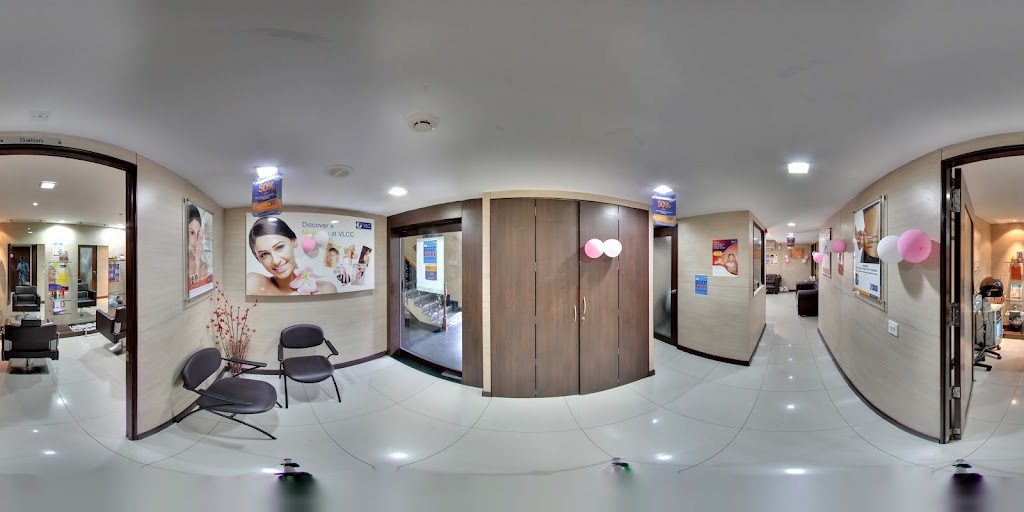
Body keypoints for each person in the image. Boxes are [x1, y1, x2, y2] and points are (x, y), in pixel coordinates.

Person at [247, 217, 337, 295]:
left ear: (294, 241)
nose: (276, 261)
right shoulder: (254, 284)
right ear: (258, 259)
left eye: (279, 247)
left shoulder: (325, 289)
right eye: (264, 254)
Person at [187, 204, 209, 288]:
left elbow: (195, 283)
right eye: (192, 233)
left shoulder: (203, 267)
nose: (196, 242)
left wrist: (197, 261)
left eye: (198, 233)